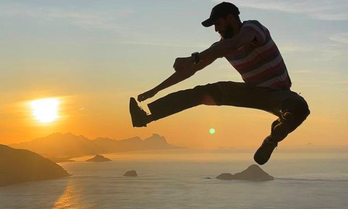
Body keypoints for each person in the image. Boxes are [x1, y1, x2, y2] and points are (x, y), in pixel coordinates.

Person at [129, 2, 310, 165]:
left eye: (218, 23)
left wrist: (195, 57)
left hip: (278, 94)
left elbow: (235, 44)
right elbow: (190, 70)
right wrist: (154, 90)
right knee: (201, 93)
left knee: (300, 107)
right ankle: (145, 117)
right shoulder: (221, 45)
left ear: (230, 18)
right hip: (251, 91)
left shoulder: (252, 28)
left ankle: (272, 140)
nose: (216, 29)